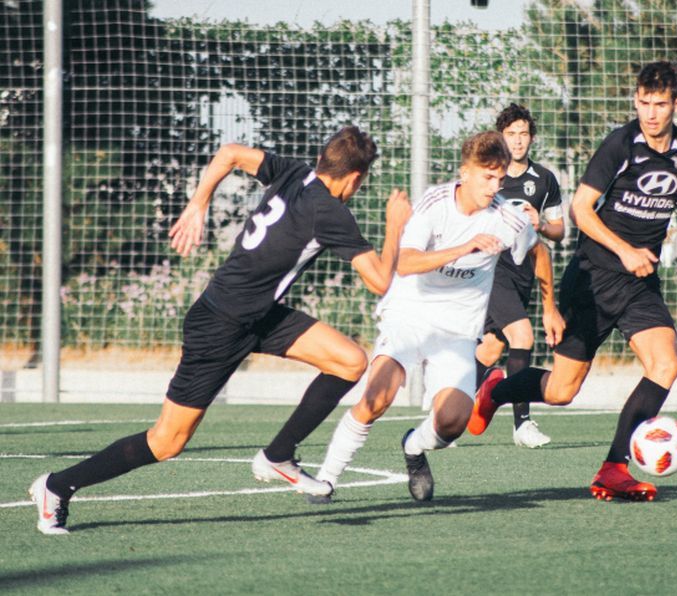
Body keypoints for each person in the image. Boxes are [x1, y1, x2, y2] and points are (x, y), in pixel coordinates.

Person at [29, 126, 412, 534]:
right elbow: (379, 280)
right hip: (219, 325)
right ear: (355, 177)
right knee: (167, 441)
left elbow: (230, 152)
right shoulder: (330, 211)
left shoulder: (293, 172)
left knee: (349, 361)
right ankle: (56, 486)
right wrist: (395, 227)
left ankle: (278, 456)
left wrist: (198, 204)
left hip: (259, 315)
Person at [468, 61, 677, 501]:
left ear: (676, 104)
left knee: (666, 365)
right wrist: (624, 250)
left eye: (661, 105)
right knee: (560, 390)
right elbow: (581, 209)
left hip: (639, 283)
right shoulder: (619, 144)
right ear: (636, 101)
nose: (651, 114)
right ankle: (497, 390)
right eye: (644, 103)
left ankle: (613, 468)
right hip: (591, 279)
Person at [311, 131, 565, 503]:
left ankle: (414, 447)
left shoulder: (510, 219)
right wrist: (465, 246)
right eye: (486, 176)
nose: (494, 185)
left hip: (458, 330)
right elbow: (406, 261)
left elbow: (538, 253)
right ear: (465, 172)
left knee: (453, 422)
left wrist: (550, 308)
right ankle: (327, 480)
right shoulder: (435, 203)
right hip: (410, 314)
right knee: (377, 397)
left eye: (499, 177)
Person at [473, 103, 565, 448]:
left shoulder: (544, 180)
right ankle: (522, 424)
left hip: (524, 273)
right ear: (500, 137)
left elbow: (558, 231)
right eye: (510, 134)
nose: (517, 141)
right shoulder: (490, 178)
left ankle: (444, 411)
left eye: (523, 134)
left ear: (532, 137)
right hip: (492, 271)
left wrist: (540, 222)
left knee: (490, 349)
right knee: (522, 337)